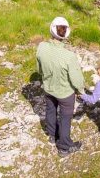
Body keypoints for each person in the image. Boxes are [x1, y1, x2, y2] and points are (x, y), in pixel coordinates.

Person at [36, 16, 85, 157]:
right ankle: (64, 147)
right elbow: (76, 79)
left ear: (52, 30)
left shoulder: (41, 47)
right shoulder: (69, 56)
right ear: (66, 34)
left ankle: (52, 135)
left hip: (48, 88)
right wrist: (80, 90)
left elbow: (39, 69)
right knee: (65, 117)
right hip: (65, 93)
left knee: (50, 109)